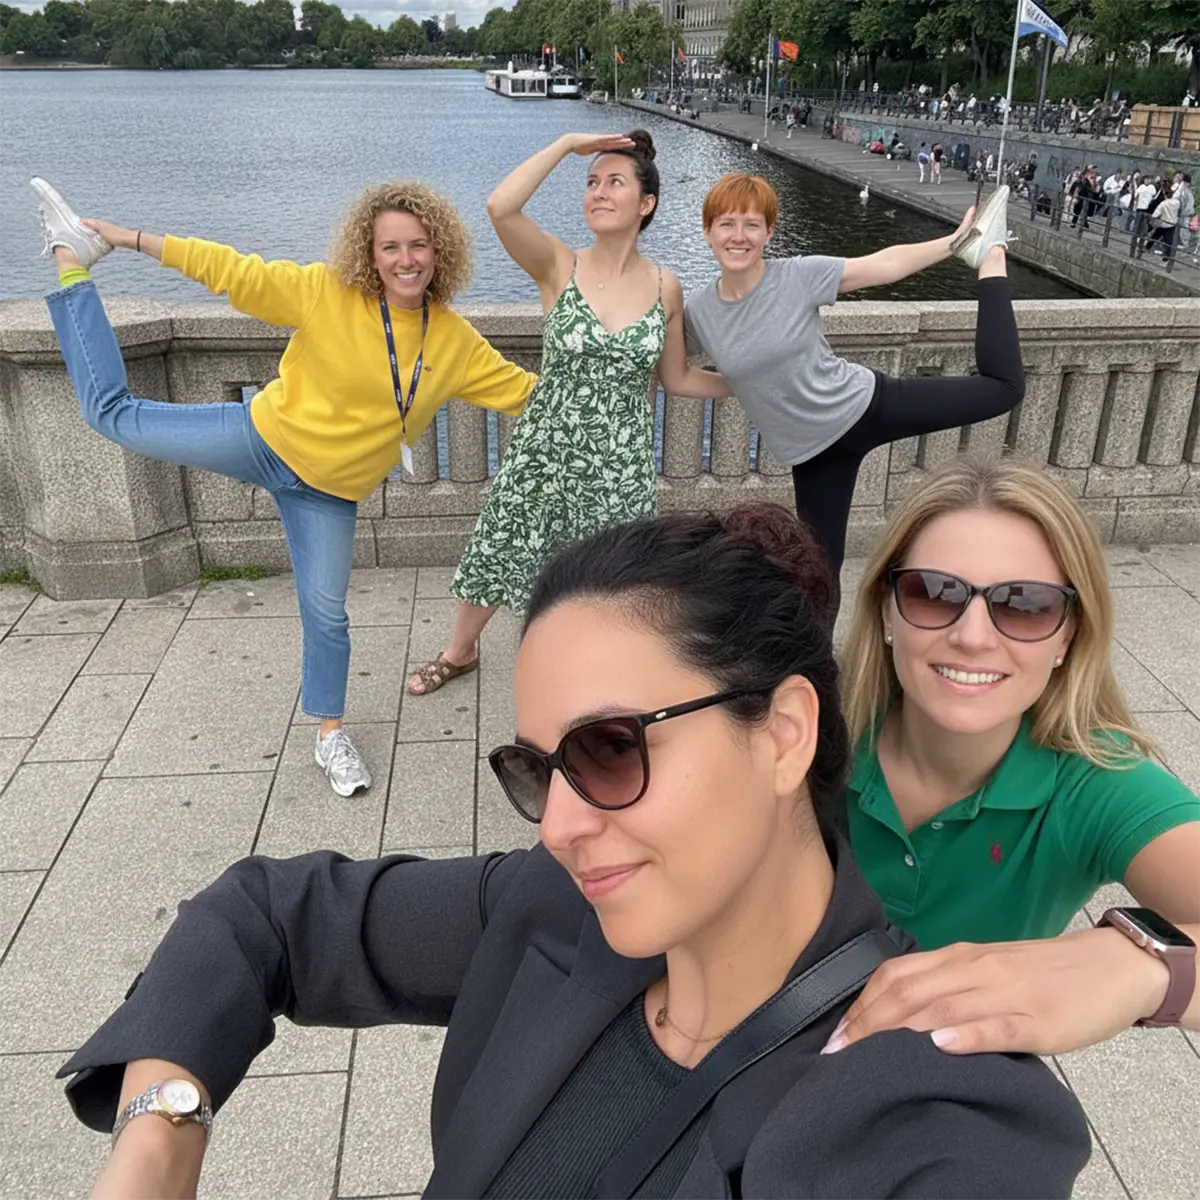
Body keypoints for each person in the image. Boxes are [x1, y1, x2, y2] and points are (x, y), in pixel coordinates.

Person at [60, 504, 1091, 1200]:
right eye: (538, 767)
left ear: (783, 735)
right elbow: (267, 915)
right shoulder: (555, 911)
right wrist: (161, 1130)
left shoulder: (932, 1104)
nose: (555, 824)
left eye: (608, 750)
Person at [30, 177, 535, 797]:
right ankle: (70, 259)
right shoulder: (327, 293)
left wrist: (620, 373)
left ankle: (330, 738)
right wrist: (128, 239)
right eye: (391, 248)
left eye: (419, 246)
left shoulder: (455, 342)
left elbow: (528, 395)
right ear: (369, 255)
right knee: (110, 413)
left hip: (326, 494)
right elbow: (231, 271)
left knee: (327, 615)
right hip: (259, 438)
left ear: (441, 252)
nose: (406, 260)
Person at [827, 454, 1200, 1058]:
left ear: (1069, 634)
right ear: (885, 611)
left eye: (1025, 605)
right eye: (933, 593)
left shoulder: (1092, 785)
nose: (973, 636)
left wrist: (1141, 965)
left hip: (934, 1099)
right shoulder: (808, 732)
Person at [408, 131, 727, 696]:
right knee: (502, 541)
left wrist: (746, 386)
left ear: (646, 203)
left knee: (607, 572)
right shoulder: (559, 265)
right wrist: (568, 145)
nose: (597, 192)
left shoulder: (666, 287)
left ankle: (590, 664)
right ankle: (460, 651)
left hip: (620, 461)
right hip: (547, 447)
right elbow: (501, 207)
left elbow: (676, 378)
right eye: (592, 183)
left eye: (614, 182)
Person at [683, 173, 1023, 590]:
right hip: (813, 455)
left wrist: (955, 243)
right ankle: (814, 657)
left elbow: (883, 265)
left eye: (752, 225)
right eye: (726, 224)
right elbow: (670, 371)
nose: (739, 237)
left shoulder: (797, 276)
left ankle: (990, 257)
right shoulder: (699, 312)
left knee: (1004, 389)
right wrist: (741, 385)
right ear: (707, 232)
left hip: (866, 405)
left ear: (769, 233)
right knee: (819, 572)